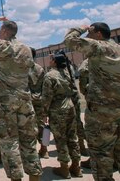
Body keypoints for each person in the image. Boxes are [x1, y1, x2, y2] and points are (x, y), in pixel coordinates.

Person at [65, 23, 120, 181]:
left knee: (101, 154)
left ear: (98, 34)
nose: (87, 36)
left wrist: (81, 28)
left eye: (90, 33)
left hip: (102, 114)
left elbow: (70, 40)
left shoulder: (98, 47)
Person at [0, 16, 42, 181]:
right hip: (24, 99)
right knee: (29, 141)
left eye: (0, 30)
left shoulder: (2, 47)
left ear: (4, 31)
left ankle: (16, 178)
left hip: (6, 101)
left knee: (9, 142)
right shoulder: (26, 49)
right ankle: (34, 176)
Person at [41, 51, 82, 179]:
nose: (50, 60)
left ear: (54, 62)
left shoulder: (50, 76)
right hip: (70, 107)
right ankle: (76, 167)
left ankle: (64, 168)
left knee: (61, 139)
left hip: (58, 109)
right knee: (72, 137)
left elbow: (47, 97)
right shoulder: (67, 72)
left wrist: (44, 113)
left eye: (51, 58)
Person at [28, 48, 47, 159]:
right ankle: (44, 149)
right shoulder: (40, 68)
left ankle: (32, 151)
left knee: (29, 126)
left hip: (28, 99)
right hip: (40, 99)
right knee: (43, 126)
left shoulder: (24, 69)